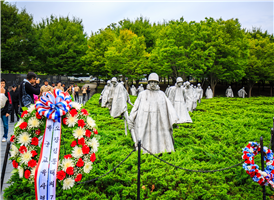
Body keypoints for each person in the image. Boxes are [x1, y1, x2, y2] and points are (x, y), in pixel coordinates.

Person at [128, 73, 179, 154]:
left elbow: (169, 107)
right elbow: (135, 107)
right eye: (151, 82)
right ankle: (144, 149)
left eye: (155, 82)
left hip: (159, 120)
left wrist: (174, 118)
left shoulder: (161, 94)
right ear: (148, 82)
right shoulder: (142, 94)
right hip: (146, 120)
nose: (153, 84)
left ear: (157, 83)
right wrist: (131, 117)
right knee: (146, 135)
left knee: (160, 135)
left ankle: (163, 149)